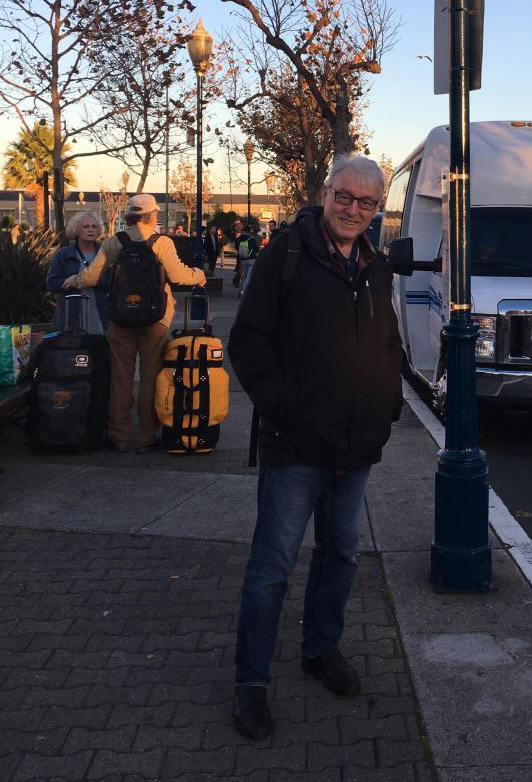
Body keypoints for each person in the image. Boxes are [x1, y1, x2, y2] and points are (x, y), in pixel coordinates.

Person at [228, 154, 404, 741]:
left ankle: (320, 648)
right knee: (272, 567)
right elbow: (248, 341)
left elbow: (388, 341)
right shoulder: (287, 253)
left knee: (341, 556)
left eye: (366, 202)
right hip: (296, 445)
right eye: (344, 197)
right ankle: (251, 681)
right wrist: (283, 407)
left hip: (356, 446)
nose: (353, 209)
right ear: (326, 194)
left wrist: (386, 403)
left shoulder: (375, 264)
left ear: (377, 208)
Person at [63, 194, 206, 453]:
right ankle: (146, 438)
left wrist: (74, 280)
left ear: (129, 216)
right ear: (152, 216)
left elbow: (91, 278)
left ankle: (120, 437)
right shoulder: (162, 242)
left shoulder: (114, 242)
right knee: (151, 379)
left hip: (120, 319)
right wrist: (199, 275)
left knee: (120, 380)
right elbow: (178, 276)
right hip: (156, 320)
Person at [46, 211, 109, 334]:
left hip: (99, 313)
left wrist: (89, 280)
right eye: (85, 226)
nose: (90, 230)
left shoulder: (105, 254)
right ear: (76, 230)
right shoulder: (63, 254)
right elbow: (51, 283)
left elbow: (112, 282)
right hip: (70, 315)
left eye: (94, 226)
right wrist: (72, 282)